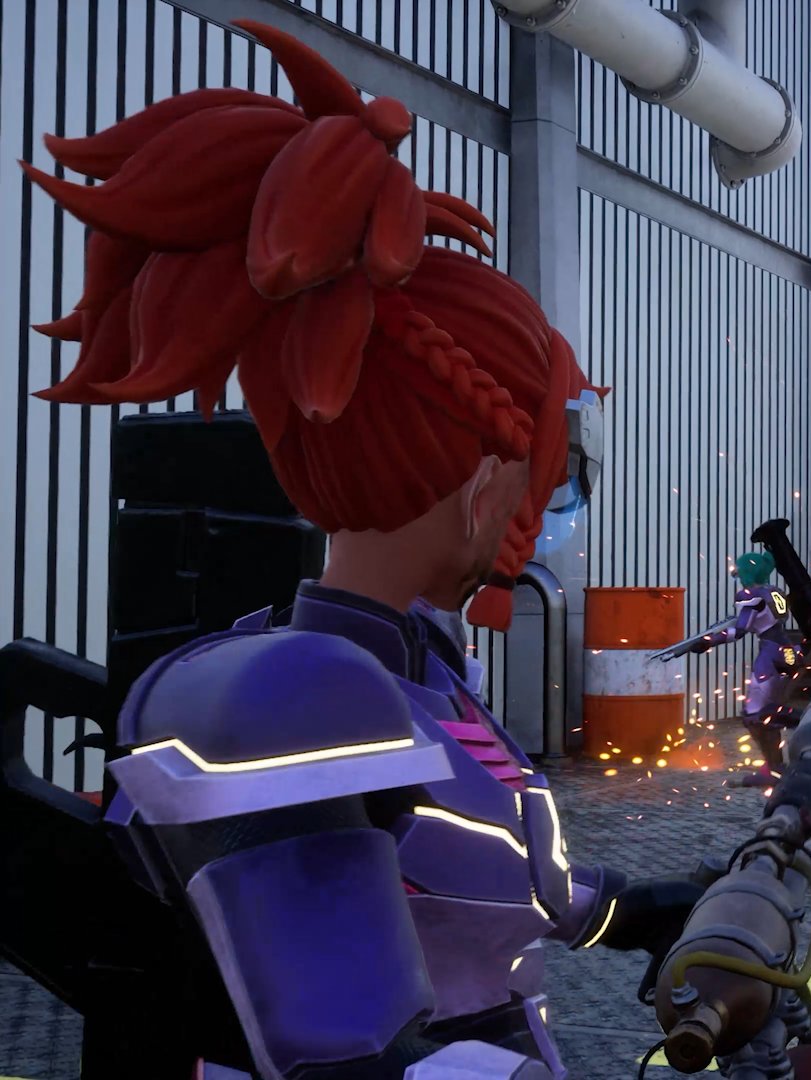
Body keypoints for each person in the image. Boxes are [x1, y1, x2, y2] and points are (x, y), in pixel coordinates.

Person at [28, 22, 700, 1079]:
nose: (544, 505)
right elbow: (346, 1056)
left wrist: (643, 908)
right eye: (539, 469)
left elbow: (496, 881)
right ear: (482, 484)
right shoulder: (295, 701)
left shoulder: (423, 671)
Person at [682, 552, 801, 788]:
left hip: (770, 654)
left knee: (755, 715)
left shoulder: (752, 596)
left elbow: (739, 631)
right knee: (768, 711)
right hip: (787, 651)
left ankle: (779, 761)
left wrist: (708, 641)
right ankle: (775, 766)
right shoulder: (775, 591)